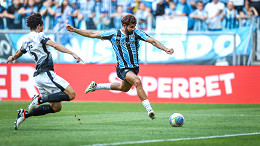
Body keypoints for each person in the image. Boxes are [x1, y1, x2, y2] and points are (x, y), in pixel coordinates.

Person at [66, 14, 174, 120]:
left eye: (134, 26)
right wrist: (75, 30)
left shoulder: (137, 33)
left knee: (124, 88)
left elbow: (153, 41)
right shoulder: (114, 34)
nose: (133, 28)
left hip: (134, 68)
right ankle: (149, 110)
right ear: (124, 25)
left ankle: (96, 86)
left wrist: (165, 49)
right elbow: (92, 34)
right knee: (137, 81)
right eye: (131, 27)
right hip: (122, 68)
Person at [6, 13, 83, 130]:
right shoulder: (40, 35)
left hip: (39, 78)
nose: (43, 28)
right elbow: (55, 44)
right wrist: (72, 53)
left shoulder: (26, 40)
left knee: (56, 107)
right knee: (71, 94)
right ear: (38, 26)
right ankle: (38, 100)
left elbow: (18, 53)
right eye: (42, 26)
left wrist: (11, 58)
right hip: (46, 74)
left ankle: (25, 114)